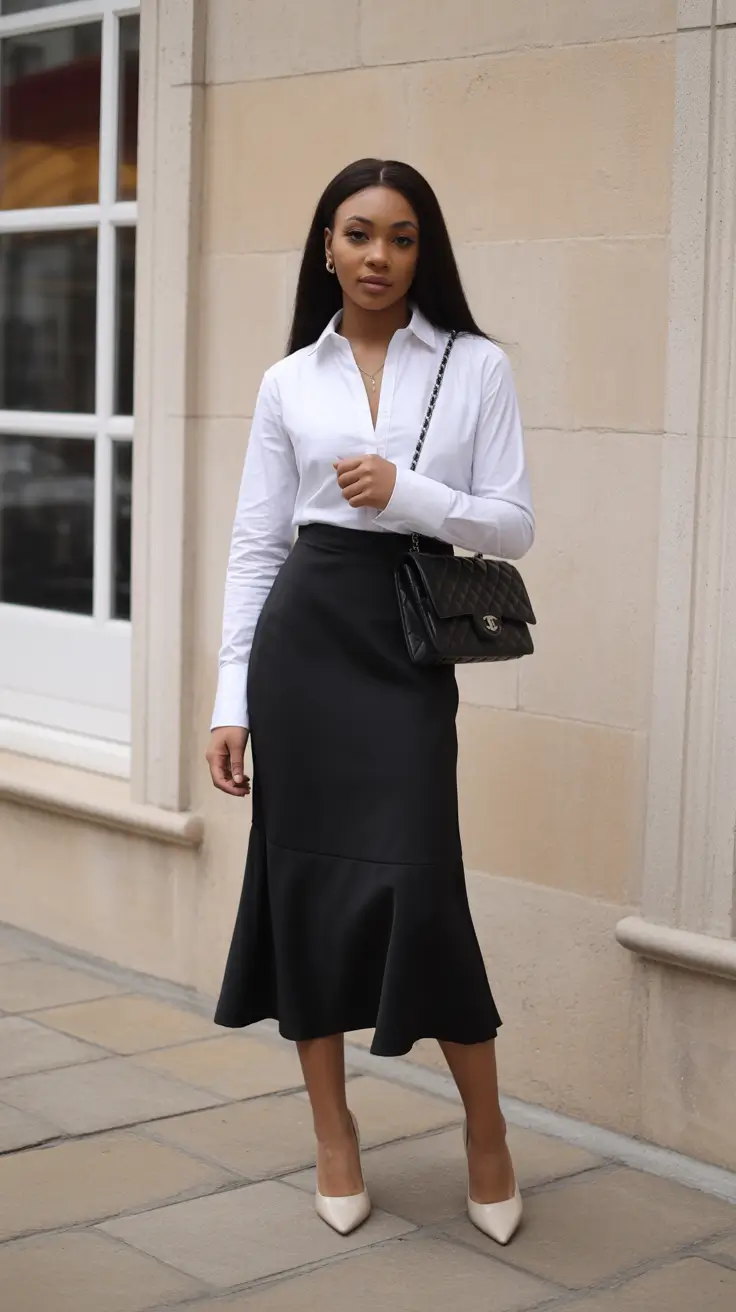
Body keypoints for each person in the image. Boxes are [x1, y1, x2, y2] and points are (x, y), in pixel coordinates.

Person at [206, 158, 534, 1245]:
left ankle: (486, 1134)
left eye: (399, 238)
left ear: (421, 251)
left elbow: (512, 524)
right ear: (327, 247)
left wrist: (411, 494)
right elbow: (257, 542)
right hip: (304, 641)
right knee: (299, 885)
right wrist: (228, 699)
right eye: (358, 235)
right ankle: (333, 1132)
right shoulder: (287, 379)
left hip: (402, 643)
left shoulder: (475, 365)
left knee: (422, 886)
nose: (377, 257)